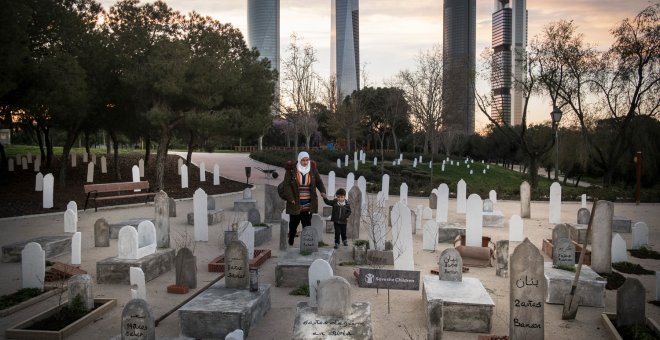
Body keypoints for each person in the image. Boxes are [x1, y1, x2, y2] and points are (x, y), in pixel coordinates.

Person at [282, 151, 327, 246]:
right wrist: (290, 198)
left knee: (306, 224)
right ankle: (291, 240)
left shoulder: (312, 168)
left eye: (307, 160)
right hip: (295, 201)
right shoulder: (291, 170)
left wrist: (322, 191)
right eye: (303, 160)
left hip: (308, 202)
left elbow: (318, 181)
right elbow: (286, 185)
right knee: (294, 223)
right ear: (299, 160)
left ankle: (306, 244)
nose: (305, 162)